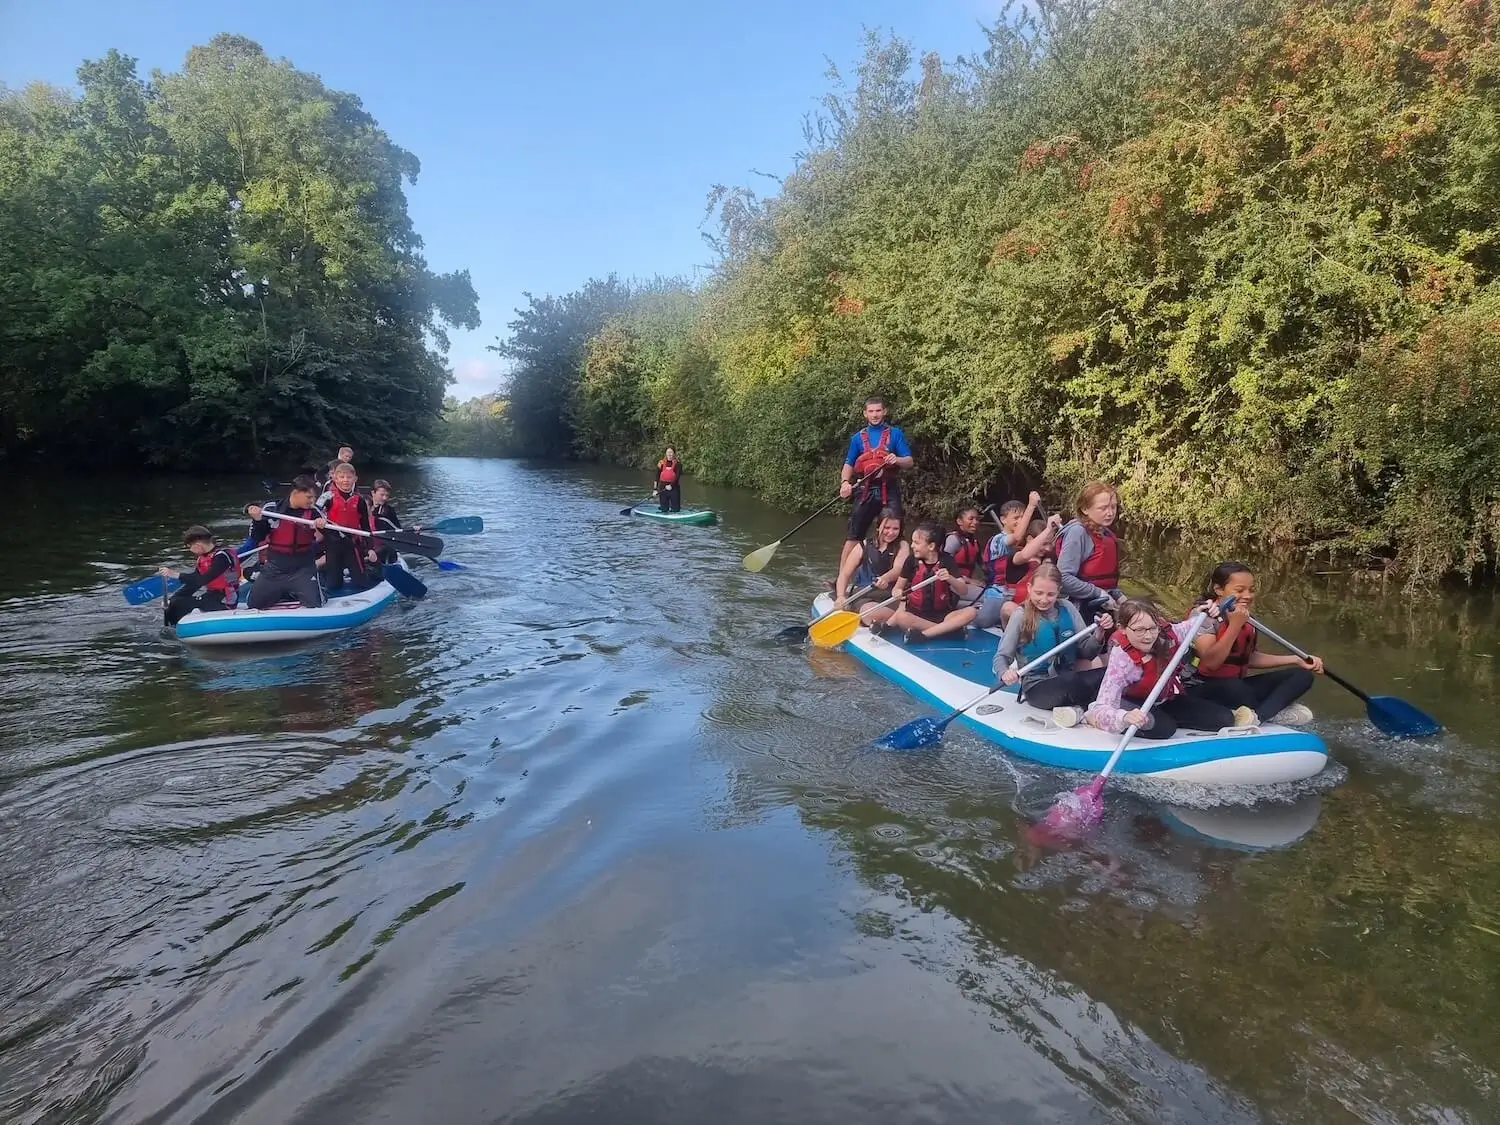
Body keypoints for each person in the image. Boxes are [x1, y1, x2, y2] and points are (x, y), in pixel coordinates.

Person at [1074, 597, 1236, 738]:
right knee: (1164, 728)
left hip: (1163, 699)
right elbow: (1102, 706)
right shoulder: (1121, 660)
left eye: (1152, 628)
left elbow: (1193, 624)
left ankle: (1163, 717)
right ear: (1122, 629)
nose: (1148, 636)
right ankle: (1086, 717)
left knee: (1224, 719)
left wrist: (1209, 612)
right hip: (1130, 704)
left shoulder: (1167, 634)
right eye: (1139, 630)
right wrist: (1124, 717)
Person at [1189, 561, 1323, 726]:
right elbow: (1211, 663)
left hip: (1237, 685)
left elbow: (1249, 658)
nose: (1248, 595)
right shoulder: (1203, 616)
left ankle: (1260, 716)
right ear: (1218, 589)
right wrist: (1235, 626)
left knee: (1302, 676)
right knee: (1235, 688)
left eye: (1251, 590)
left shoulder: (1247, 618)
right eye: (1239, 590)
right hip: (1204, 686)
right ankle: (1269, 709)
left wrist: (1296, 659)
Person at [993, 563, 1113, 713]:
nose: (1044, 599)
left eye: (1050, 594)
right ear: (1029, 588)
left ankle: (1097, 707)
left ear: (1059, 592)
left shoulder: (1068, 608)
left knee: (1110, 674)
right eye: (1039, 593)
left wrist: (1100, 632)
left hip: (1069, 677)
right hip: (1037, 687)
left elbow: (1087, 652)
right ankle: (1095, 707)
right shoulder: (1020, 615)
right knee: (1073, 682)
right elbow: (1001, 657)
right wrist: (1004, 672)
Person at [838, 396, 914, 573]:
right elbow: (848, 463)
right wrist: (844, 483)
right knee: (854, 536)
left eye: (878, 410)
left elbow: (909, 461)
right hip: (865, 490)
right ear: (865, 413)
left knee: (895, 533)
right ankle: (841, 578)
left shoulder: (895, 434)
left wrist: (897, 459)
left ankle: (897, 577)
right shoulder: (857, 438)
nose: (875, 415)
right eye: (871, 411)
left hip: (889, 488)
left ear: (884, 411)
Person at [870, 521, 977, 644]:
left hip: (944, 615)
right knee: (901, 617)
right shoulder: (911, 561)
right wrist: (897, 592)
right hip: (917, 616)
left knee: (971, 612)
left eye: (916, 543)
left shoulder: (947, 560)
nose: (912, 546)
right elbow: (897, 588)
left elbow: (963, 590)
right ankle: (948, 632)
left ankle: (924, 635)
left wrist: (950, 578)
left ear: (931, 546)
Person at [978, 493, 1063, 628]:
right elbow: (1023, 553)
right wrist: (1046, 528)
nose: (1047, 548)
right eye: (1043, 543)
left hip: (1039, 607)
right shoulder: (1015, 554)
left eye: (1049, 544)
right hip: (1006, 600)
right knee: (984, 619)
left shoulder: (1049, 559)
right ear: (1030, 540)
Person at [246, 475, 327, 609]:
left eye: (314, 497)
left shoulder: (314, 511)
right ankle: (285, 590)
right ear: (296, 493)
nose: (312, 501)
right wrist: (257, 520)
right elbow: (258, 537)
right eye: (309, 497)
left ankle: (307, 587)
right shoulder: (271, 508)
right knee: (254, 604)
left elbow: (331, 536)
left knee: (316, 603)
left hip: (303, 567)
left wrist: (322, 526)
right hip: (275, 567)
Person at [1055, 481, 1123, 623]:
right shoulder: (1077, 532)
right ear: (1085, 509)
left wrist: (1118, 595)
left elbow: (1108, 582)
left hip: (1103, 601)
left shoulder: (1106, 533)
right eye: (1103, 508)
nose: (1110, 513)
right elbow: (1063, 578)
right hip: (1079, 607)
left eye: (1113, 507)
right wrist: (1097, 593)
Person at [160, 526, 242, 626]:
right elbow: (194, 583)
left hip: (226, 599)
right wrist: (172, 598)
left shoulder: (222, 557)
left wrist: (176, 575)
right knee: (174, 602)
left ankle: (175, 628)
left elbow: (204, 579)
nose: (190, 550)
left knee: (178, 604)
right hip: (212, 595)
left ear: (198, 545)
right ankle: (173, 627)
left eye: (190, 547)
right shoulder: (203, 558)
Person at [834, 508, 908, 606]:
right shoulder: (863, 545)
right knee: (871, 609)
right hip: (864, 593)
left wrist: (885, 578)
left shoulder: (902, 545)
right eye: (886, 528)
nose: (891, 532)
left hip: (890, 593)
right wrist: (840, 596)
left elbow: (898, 569)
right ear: (878, 527)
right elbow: (845, 574)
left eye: (895, 529)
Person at [320, 462, 375, 593]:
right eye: (342, 477)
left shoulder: (359, 499)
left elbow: (366, 526)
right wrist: (319, 520)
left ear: (355, 479)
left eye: (349, 477)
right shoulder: (327, 496)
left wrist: (370, 548)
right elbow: (314, 511)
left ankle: (367, 572)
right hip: (333, 543)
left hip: (353, 543)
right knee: (333, 585)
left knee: (361, 583)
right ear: (335, 478)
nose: (345, 480)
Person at [943, 506, 984, 581]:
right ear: (959, 521)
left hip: (965, 583)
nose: (975, 522)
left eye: (977, 519)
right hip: (952, 583)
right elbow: (944, 564)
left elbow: (982, 565)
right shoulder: (953, 539)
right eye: (971, 519)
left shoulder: (974, 542)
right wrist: (966, 580)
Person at [368, 479, 404, 564]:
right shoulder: (364, 506)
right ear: (373, 493)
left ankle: (367, 559)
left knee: (385, 548)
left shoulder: (389, 511)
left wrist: (413, 531)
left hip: (385, 548)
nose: (385, 498)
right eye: (382, 495)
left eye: (387, 495)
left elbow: (398, 529)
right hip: (368, 545)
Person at [653, 447, 684, 513]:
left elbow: (677, 477)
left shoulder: (678, 464)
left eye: (671, 452)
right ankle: (663, 508)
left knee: (676, 510)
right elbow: (657, 477)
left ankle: (675, 509)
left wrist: (671, 485)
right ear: (666, 453)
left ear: (674, 454)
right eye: (668, 452)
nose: (669, 454)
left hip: (674, 487)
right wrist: (655, 489)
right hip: (663, 488)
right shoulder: (661, 463)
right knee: (664, 510)